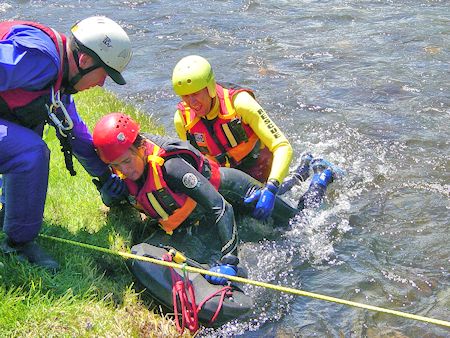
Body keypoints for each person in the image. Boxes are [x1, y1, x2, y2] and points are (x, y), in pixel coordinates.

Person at [92, 113, 340, 285]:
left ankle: (320, 178)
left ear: (142, 147)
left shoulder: (172, 168)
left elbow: (221, 207)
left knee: (299, 224)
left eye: (126, 161)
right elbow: (139, 197)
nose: (124, 169)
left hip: (236, 192)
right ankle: (300, 174)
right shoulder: (121, 170)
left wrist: (229, 261)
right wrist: (111, 196)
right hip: (200, 212)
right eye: (116, 165)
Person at [0, 16, 132, 270]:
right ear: (84, 61)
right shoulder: (41, 60)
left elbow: (76, 135)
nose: (102, 84)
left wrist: (106, 179)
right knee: (30, 152)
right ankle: (19, 244)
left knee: (32, 123)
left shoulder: (57, 76)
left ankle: (10, 211)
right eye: (105, 73)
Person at [172, 55, 296, 221]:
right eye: (185, 96)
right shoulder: (182, 120)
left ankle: (319, 177)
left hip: (261, 174)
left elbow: (282, 146)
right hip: (229, 182)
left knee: (295, 217)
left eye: (196, 94)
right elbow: (194, 164)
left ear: (209, 88)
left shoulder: (240, 103)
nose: (192, 103)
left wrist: (272, 187)